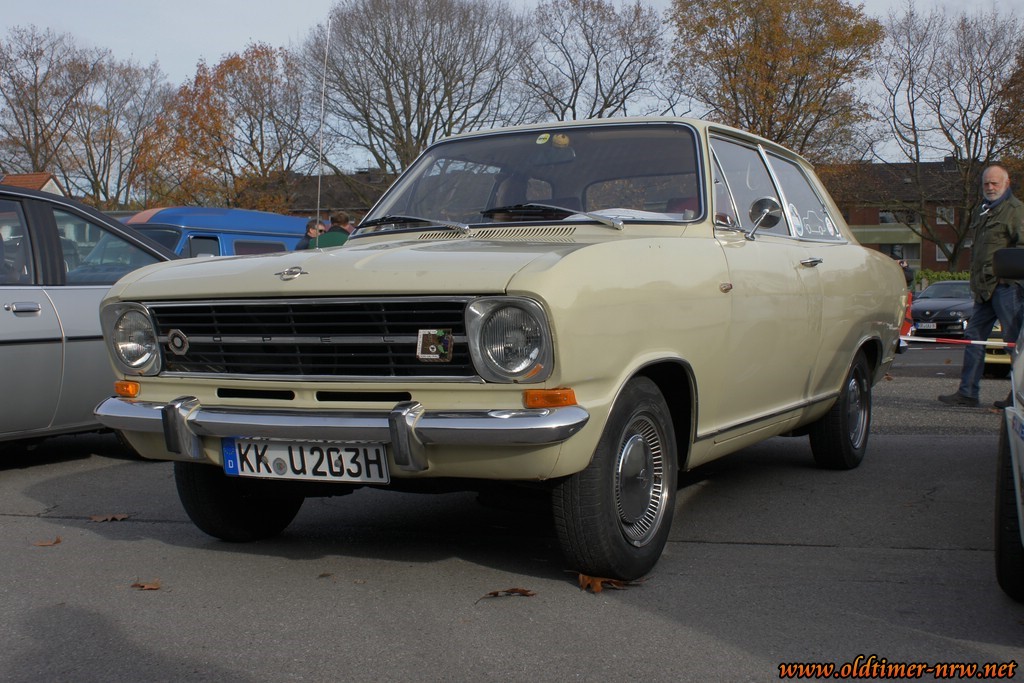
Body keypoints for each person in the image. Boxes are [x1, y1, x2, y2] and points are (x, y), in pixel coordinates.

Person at [939, 164, 1024, 408]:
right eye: (986, 183)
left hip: (1007, 287)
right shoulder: (982, 211)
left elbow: (1021, 249)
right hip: (983, 288)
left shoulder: (1016, 211)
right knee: (974, 338)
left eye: (995, 183)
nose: (990, 187)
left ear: (1006, 183)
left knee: (1014, 343)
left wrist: (1010, 276)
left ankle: (1018, 396)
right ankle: (967, 393)